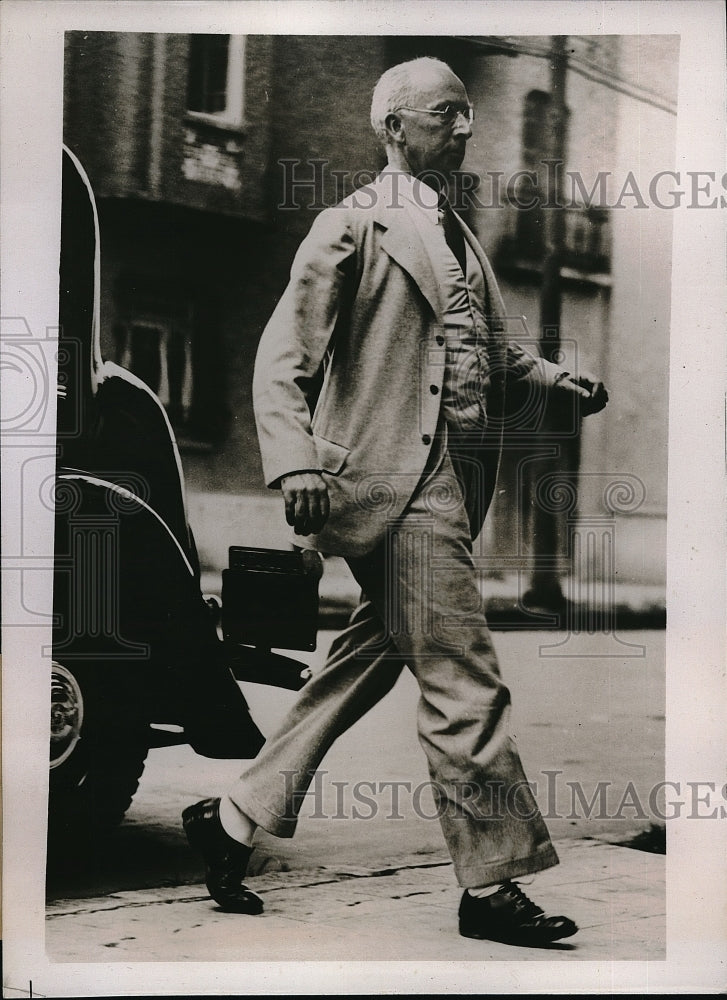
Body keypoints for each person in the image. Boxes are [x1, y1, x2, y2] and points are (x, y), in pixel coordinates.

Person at [183, 56, 608, 947]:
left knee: (361, 665)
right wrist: (293, 462)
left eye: (464, 115)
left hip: (450, 482)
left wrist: (556, 377)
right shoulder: (351, 226)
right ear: (393, 127)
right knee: (464, 680)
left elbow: (490, 353)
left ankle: (229, 818)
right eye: (444, 114)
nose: (463, 127)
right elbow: (283, 356)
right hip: (392, 485)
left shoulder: (459, 235)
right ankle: (490, 887)